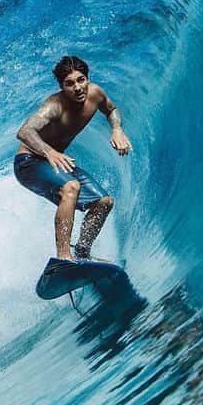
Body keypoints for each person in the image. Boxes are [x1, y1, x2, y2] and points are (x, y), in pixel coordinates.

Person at [13, 55, 132, 261]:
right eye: (69, 84)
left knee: (103, 202)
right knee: (71, 187)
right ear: (61, 87)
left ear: (87, 79)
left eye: (81, 80)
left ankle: (82, 252)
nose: (77, 88)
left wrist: (117, 129)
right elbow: (25, 131)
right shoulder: (54, 106)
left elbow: (111, 109)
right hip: (28, 163)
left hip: (55, 163)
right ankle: (64, 257)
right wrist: (48, 151)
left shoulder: (95, 94)